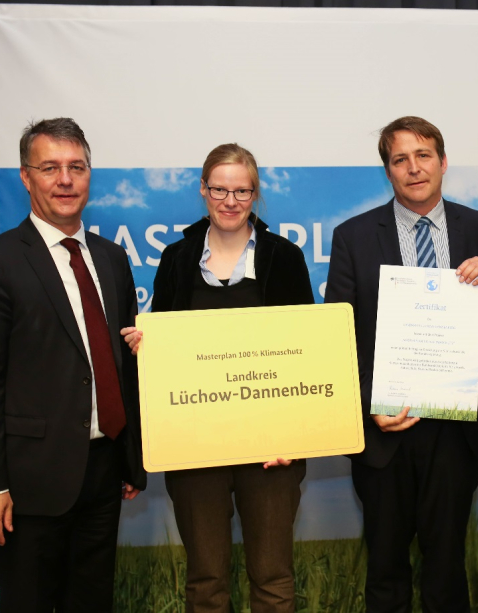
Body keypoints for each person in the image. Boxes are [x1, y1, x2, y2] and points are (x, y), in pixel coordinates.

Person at [325, 116, 478, 612]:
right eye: (399, 159)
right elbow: (336, 335)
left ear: (443, 162)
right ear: (387, 172)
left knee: (447, 565)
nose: (413, 168)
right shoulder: (353, 236)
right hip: (383, 430)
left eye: (423, 155)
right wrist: (367, 408)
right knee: (386, 567)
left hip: (455, 432)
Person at [0, 117, 146, 612]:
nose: (65, 180)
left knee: (92, 601)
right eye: (50, 167)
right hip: (29, 484)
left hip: (104, 471)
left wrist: (129, 454)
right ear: (25, 176)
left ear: (89, 174)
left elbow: (118, 364)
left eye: (76, 167)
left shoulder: (111, 258)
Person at [122, 143, 313, 612]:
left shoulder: (284, 258)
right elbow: (165, 351)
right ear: (203, 191)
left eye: (242, 191)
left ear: (255, 194)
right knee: (205, 581)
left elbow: (308, 353)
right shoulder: (177, 259)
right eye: (220, 189)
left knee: (272, 577)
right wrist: (145, 345)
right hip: (194, 449)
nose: (230, 201)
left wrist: (296, 437)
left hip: (271, 451)